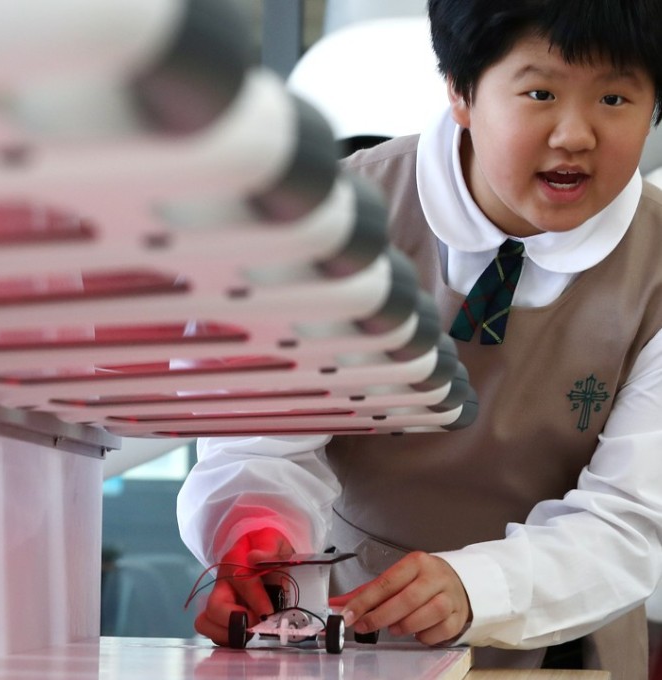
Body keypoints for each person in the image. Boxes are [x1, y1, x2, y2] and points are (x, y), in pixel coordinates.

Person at [176, 0, 662, 676]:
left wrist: (473, 587)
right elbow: (260, 443)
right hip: (344, 631)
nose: (576, 134)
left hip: (568, 642)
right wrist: (262, 538)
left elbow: (633, 518)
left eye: (615, 96)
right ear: (461, 92)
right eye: (540, 92)